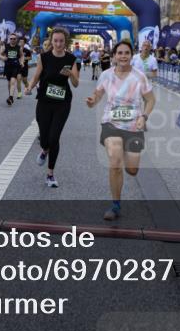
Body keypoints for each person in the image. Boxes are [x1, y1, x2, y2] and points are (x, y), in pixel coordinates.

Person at [86, 40, 155, 220]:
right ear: (114, 56)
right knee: (115, 163)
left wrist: (144, 117)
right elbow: (98, 94)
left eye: (126, 53)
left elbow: (150, 100)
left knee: (132, 170)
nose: (123, 56)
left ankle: (124, 151)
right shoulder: (107, 75)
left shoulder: (139, 76)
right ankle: (115, 205)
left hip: (134, 126)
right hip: (111, 123)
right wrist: (92, 100)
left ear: (132, 56)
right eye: (120, 53)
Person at [25, 28, 79, 188]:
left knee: (54, 138)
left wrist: (71, 74)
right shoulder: (44, 57)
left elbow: (76, 84)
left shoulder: (71, 59)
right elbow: (36, 77)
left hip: (62, 103)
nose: (58, 44)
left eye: (61, 41)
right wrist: (29, 87)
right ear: (52, 41)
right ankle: (44, 150)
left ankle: (50, 174)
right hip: (44, 101)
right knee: (45, 139)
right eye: (55, 40)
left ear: (65, 42)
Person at [2, 32, 23, 106]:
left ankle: (11, 97)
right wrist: (3, 57)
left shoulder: (18, 47)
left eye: (14, 39)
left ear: (16, 39)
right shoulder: (5, 46)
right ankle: (10, 96)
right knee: (9, 83)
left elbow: (21, 56)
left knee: (13, 81)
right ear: (9, 39)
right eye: (11, 39)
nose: (13, 40)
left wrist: (22, 62)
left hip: (15, 66)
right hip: (7, 66)